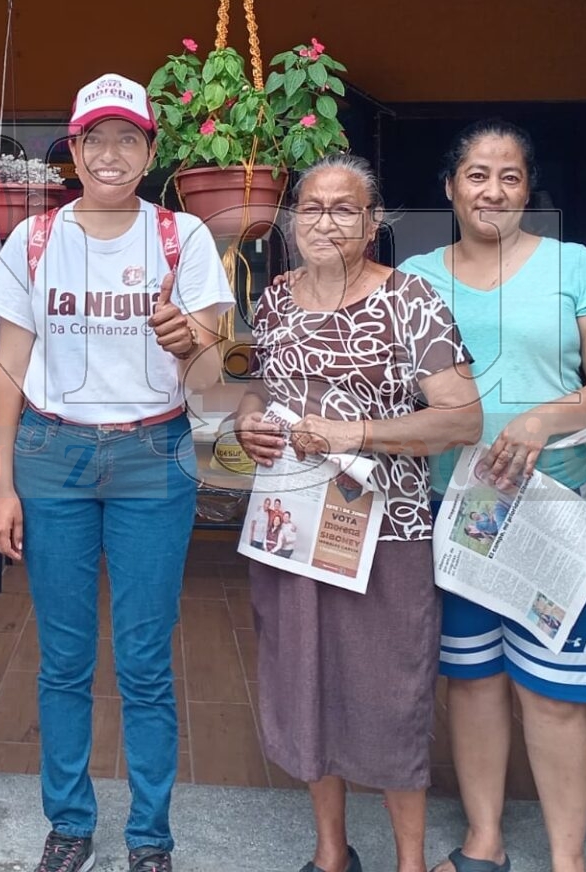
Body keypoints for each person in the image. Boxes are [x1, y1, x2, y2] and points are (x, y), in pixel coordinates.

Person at [0, 73, 232, 872]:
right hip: (52, 458)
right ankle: (71, 824)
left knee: (147, 657)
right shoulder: (36, 240)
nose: (112, 153)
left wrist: (190, 340)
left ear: (150, 151)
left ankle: (151, 836)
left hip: (152, 458)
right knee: (63, 657)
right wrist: (2, 484)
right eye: (96, 139)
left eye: (129, 138)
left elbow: (215, 381)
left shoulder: (183, 239)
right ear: (75, 152)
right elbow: (9, 367)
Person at [235, 154, 482, 872]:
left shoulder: (411, 300)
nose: (325, 221)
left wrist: (355, 435)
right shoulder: (276, 299)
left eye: (345, 208)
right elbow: (259, 393)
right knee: (302, 683)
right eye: (310, 208)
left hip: (386, 532)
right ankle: (331, 853)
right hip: (291, 528)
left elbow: (461, 419)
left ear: (373, 224)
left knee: (388, 691)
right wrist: (248, 421)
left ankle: (409, 861)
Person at [401, 120, 586, 872]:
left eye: (509, 175)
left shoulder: (576, 267)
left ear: (528, 190)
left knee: (554, 694)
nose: (492, 189)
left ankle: (568, 861)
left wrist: (544, 417)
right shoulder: (416, 278)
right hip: (454, 511)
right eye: (476, 173)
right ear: (450, 187)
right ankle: (484, 843)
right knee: (471, 683)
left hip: (557, 513)